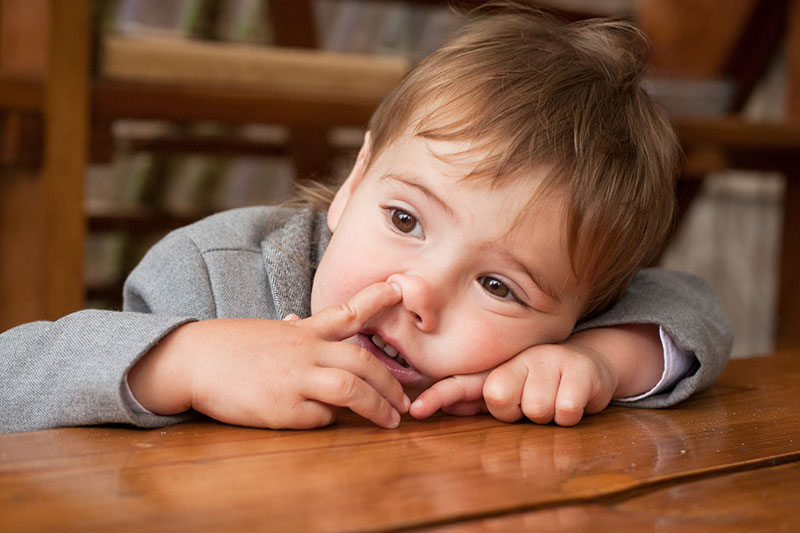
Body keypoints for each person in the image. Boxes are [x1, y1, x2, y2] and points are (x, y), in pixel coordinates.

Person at [0, 4, 731, 434]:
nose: (419, 293)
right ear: (354, 184)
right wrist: (189, 359)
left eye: (499, 286)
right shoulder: (211, 275)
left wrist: (599, 361)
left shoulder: (558, 339)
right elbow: (14, 379)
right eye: (407, 219)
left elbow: (695, 309)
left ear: (577, 312)